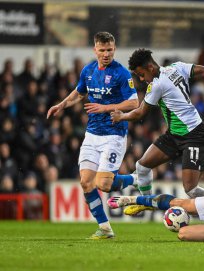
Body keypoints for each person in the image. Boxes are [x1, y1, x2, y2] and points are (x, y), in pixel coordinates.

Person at [110, 48, 204, 214]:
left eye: (141, 74)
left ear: (150, 68)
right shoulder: (176, 67)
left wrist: (121, 116)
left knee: (191, 189)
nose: (141, 78)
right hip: (174, 135)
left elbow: (140, 113)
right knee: (142, 166)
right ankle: (147, 202)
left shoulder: (157, 85)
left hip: (195, 136)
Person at [47, 32, 139, 239]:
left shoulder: (122, 74)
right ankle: (105, 228)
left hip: (114, 134)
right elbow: (79, 93)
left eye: (110, 50)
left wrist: (107, 107)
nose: (106, 54)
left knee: (104, 184)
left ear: (114, 49)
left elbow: (134, 103)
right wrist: (61, 105)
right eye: (102, 50)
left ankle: (135, 179)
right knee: (86, 182)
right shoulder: (88, 70)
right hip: (92, 135)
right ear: (95, 49)